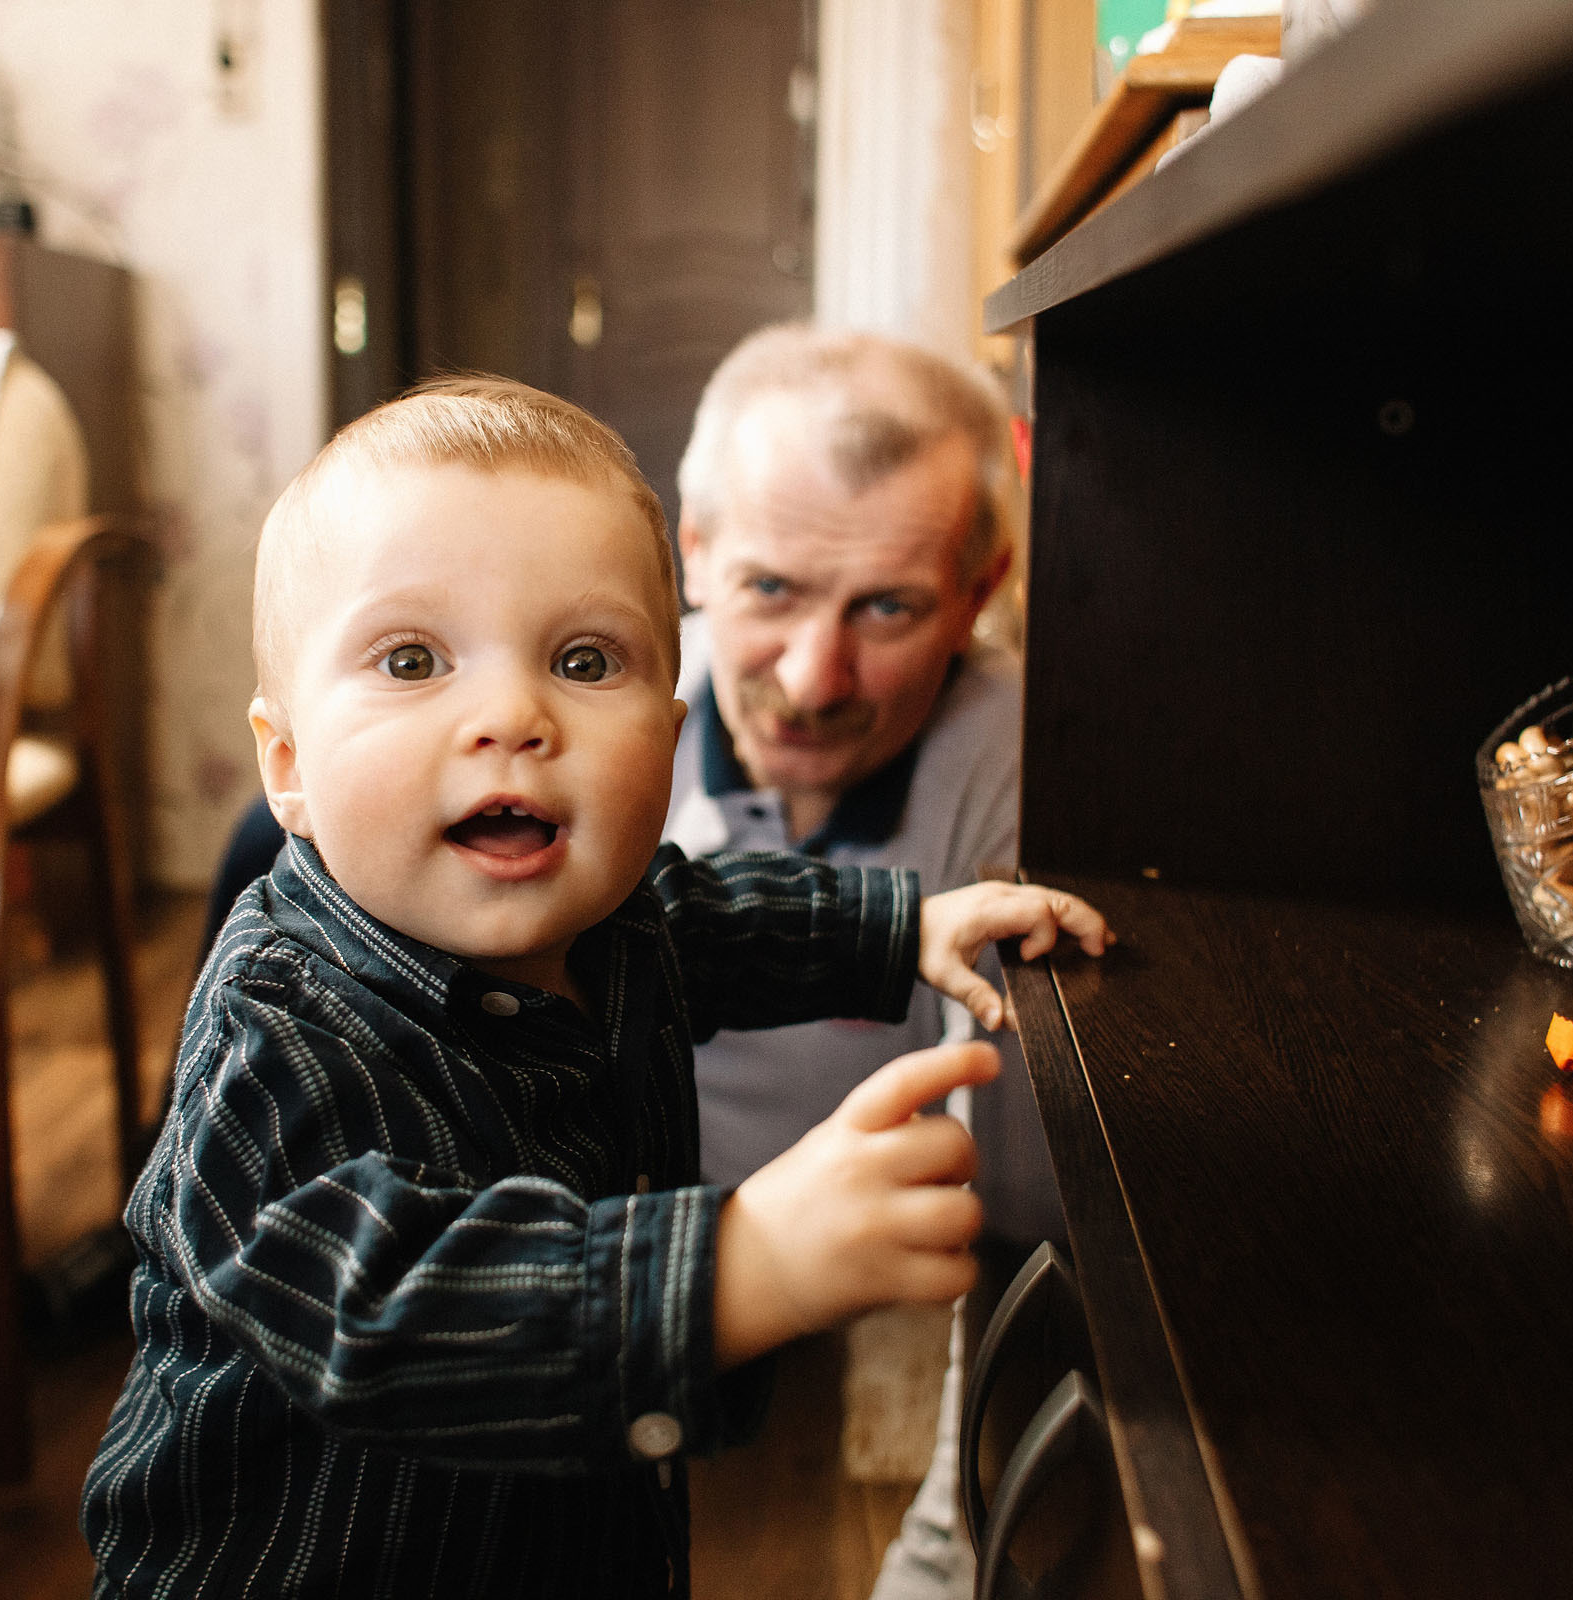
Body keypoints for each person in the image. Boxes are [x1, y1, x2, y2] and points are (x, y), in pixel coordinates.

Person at [82, 377, 1108, 1598]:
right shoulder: (274, 1034)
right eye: (412, 659)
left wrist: (906, 926)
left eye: (582, 659)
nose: (510, 714)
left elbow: (715, 914)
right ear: (289, 767)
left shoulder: (618, 922)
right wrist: (744, 1263)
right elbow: (380, 1314)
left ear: (667, 741)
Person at [666, 322, 1049, 1597]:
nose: (815, 679)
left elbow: (1021, 1199)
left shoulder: (1013, 750)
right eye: (770, 590)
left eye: (887, 607)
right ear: (696, 553)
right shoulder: (586, 719)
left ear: (979, 588)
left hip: (865, 1222)